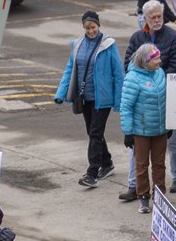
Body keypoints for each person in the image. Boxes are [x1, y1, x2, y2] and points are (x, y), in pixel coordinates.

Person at [121, 0, 176, 201]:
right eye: (153, 17)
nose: (157, 20)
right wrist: (147, 82)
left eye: (160, 16)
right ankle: (135, 186)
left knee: (172, 141)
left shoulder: (173, 37)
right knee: (138, 152)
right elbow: (128, 63)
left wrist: (158, 81)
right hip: (144, 101)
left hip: (167, 95)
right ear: (145, 18)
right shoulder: (137, 37)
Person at [53, 10, 124, 187]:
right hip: (85, 97)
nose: (90, 31)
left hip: (103, 98)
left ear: (98, 25)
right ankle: (107, 163)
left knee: (95, 132)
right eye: (87, 28)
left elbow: (118, 73)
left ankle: (92, 173)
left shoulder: (108, 45)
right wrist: (60, 94)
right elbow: (70, 69)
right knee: (93, 132)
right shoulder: (77, 45)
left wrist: (120, 100)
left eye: (93, 27)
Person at [120, 43, 169, 214]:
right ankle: (143, 197)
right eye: (155, 58)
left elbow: (166, 100)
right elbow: (126, 107)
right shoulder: (132, 78)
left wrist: (168, 124)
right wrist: (128, 132)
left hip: (160, 129)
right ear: (145, 61)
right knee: (141, 164)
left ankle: (160, 196)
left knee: (159, 164)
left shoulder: (160, 73)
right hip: (141, 130)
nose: (159, 61)